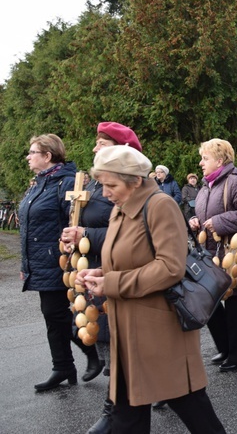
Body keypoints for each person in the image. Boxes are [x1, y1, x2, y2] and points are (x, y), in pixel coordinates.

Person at [76, 145, 225, 433]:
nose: (104, 193)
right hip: (126, 332)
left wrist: (112, 283)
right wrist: (101, 272)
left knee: (195, 413)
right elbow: (128, 257)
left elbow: (169, 267)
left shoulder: (160, 205)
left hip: (159, 334)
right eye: (102, 185)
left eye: (111, 185)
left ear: (133, 179)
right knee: (127, 420)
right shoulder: (120, 209)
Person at [61, 122, 142, 434]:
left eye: (101, 143)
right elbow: (87, 223)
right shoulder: (97, 184)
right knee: (108, 344)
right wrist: (73, 234)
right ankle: (131, 404)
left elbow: (129, 233)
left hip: (120, 272)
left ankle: (114, 412)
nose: (94, 148)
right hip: (94, 270)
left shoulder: (132, 187)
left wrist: (86, 234)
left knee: (121, 350)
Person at [19, 134, 101, 392]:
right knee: (52, 317)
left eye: (33, 152)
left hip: (57, 261)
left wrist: (70, 240)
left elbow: (75, 221)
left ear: (48, 155)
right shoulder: (39, 183)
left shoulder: (65, 183)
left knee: (55, 314)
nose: (28, 156)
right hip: (39, 261)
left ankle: (91, 352)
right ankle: (63, 366)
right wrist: (25, 265)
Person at [189, 139, 237, 372]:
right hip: (211, 254)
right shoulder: (206, 185)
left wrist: (218, 222)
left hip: (233, 252)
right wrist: (194, 221)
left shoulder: (236, 182)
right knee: (211, 300)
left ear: (220, 160)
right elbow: (201, 212)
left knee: (235, 304)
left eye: (205, 158)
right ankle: (226, 348)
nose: (201, 163)